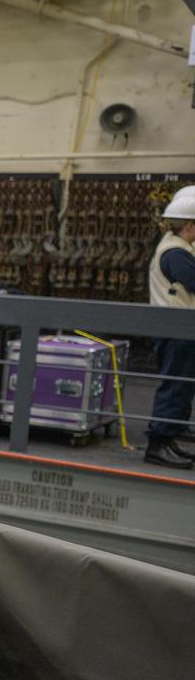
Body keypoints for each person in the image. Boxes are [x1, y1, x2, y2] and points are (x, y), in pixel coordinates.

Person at [144, 187, 195, 469]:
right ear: (189, 225)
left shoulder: (177, 247)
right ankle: (157, 445)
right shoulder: (176, 253)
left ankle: (169, 436)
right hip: (177, 331)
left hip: (181, 330)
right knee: (174, 386)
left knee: (181, 385)